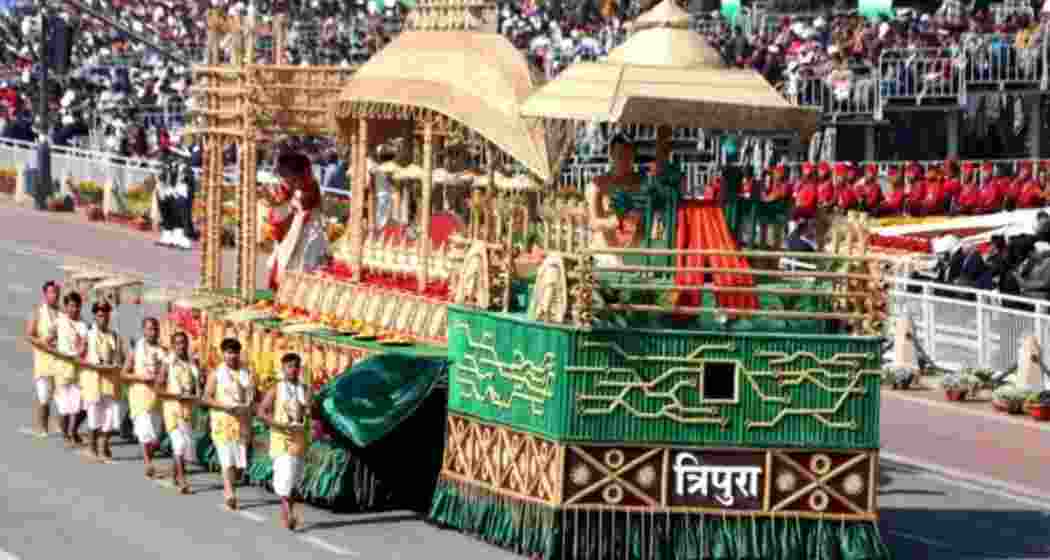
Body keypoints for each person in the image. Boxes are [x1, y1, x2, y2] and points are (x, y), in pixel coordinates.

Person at [257, 353, 309, 530]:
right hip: (281, 439)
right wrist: (277, 424)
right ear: (283, 368)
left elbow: (310, 412)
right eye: (289, 366)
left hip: (299, 440)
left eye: (296, 366)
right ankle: (289, 513)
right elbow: (261, 412)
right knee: (286, 476)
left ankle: (287, 512)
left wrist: (309, 408)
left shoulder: (305, 389)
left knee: (293, 480)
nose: (293, 370)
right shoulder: (276, 389)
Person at [265, 152, 329, 291]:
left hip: (307, 238)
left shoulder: (306, 191)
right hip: (296, 238)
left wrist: (285, 202)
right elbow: (278, 219)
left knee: (302, 275)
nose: (282, 179)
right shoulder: (293, 191)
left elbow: (301, 207)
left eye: (285, 175)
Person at [205, 337, 255, 511]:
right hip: (223, 422)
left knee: (239, 465)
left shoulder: (246, 373)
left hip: (242, 422)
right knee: (227, 459)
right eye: (229, 352)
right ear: (223, 354)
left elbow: (253, 396)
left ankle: (232, 486)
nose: (232, 356)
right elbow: (206, 398)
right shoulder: (216, 374)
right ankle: (229, 493)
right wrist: (224, 406)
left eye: (235, 353)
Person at [82, 301, 125, 461]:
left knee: (110, 417)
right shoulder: (88, 334)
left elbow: (120, 358)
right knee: (94, 418)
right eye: (100, 316)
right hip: (93, 380)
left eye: (105, 316)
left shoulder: (114, 335)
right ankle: (92, 447)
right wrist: (91, 363)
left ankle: (103, 445)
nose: (103, 319)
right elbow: (80, 356)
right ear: (95, 316)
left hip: (110, 381)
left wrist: (118, 357)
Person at [123, 317, 165, 479]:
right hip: (139, 396)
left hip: (157, 396)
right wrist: (141, 378)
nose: (153, 332)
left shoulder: (163, 351)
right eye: (149, 329)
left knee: (156, 436)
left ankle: (149, 456)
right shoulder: (136, 349)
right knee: (144, 431)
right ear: (144, 331)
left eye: (155, 329)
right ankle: (148, 463)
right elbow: (124, 373)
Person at [159, 332, 199, 494]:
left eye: (183, 343)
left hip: (188, 410)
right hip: (172, 409)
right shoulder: (167, 363)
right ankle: (183, 480)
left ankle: (175, 475)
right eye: (177, 343)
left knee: (184, 446)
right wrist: (175, 396)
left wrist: (194, 394)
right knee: (179, 443)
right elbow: (158, 388)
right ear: (172, 346)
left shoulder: (192, 363)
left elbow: (197, 387)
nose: (181, 346)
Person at [25, 280, 62, 438]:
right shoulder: (38, 312)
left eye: (57, 292)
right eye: (52, 292)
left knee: (62, 399)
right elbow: (29, 335)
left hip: (60, 362)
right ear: (45, 294)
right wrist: (43, 342)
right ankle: (43, 428)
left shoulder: (63, 313)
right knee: (44, 398)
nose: (55, 295)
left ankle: (62, 427)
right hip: (43, 362)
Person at [54, 292, 88, 447]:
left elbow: (84, 344)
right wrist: (56, 351)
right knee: (64, 408)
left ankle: (72, 431)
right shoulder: (59, 321)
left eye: (77, 306)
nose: (75, 309)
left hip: (78, 370)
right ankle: (66, 435)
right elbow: (48, 339)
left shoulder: (83, 324)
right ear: (66, 306)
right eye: (72, 306)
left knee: (80, 406)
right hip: (61, 369)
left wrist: (79, 351)